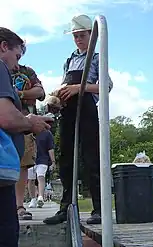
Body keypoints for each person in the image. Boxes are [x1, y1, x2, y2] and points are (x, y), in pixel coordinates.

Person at [43, 14, 113, 225]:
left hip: (87, 108)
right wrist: (57, 97)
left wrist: (78, 88)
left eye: (82, 35)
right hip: (68, 109)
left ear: (92, 36)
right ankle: (66, 207)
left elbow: (106, 86)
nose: (78, 40)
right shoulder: (69, 59)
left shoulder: (97, 57)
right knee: (65, 159)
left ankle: (99, 209)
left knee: (91, 157)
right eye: (75, 36)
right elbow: (66, 84)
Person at [0, 27, 54, 247]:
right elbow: (6, 117)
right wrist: (30, 122)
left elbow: (40, 91)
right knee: (6, 232)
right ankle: (18, 204)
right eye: (16, 55)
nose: (15, 63)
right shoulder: (1, 67)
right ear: (4, 46)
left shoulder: (25, 71)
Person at [12, 64, 46, 220]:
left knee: (23, 164)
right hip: (4, 119)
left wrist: (18, 94)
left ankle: (19, 206)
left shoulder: (26, 71)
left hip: (25, 123)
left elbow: (40, 92)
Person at [27, 129, 56, 208]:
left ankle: (39, 197)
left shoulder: (46, 133)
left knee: (38, 178)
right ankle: (35, 198)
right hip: (31, 159)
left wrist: (53, 161)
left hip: (41, 159)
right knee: (32, 179)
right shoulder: (28, 131)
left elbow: (50, 148)